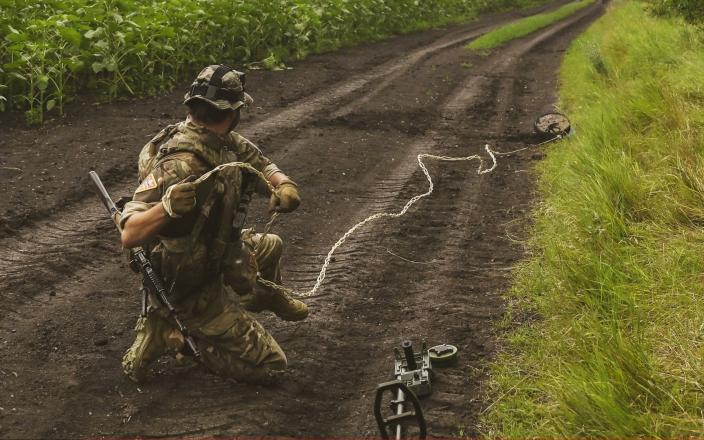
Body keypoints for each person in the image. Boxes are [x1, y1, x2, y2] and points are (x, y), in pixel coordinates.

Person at [118, 64, 308, 383]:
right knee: (272, 366)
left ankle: (255, 295)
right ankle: (173, 334)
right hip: (188, 281)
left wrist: (283, 185)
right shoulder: (178, 162)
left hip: (216, 252)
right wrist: (166, 208)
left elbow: (260, 164)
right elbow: (130, 233)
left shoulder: (224, 142)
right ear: (232, 112)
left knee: (271, 246)